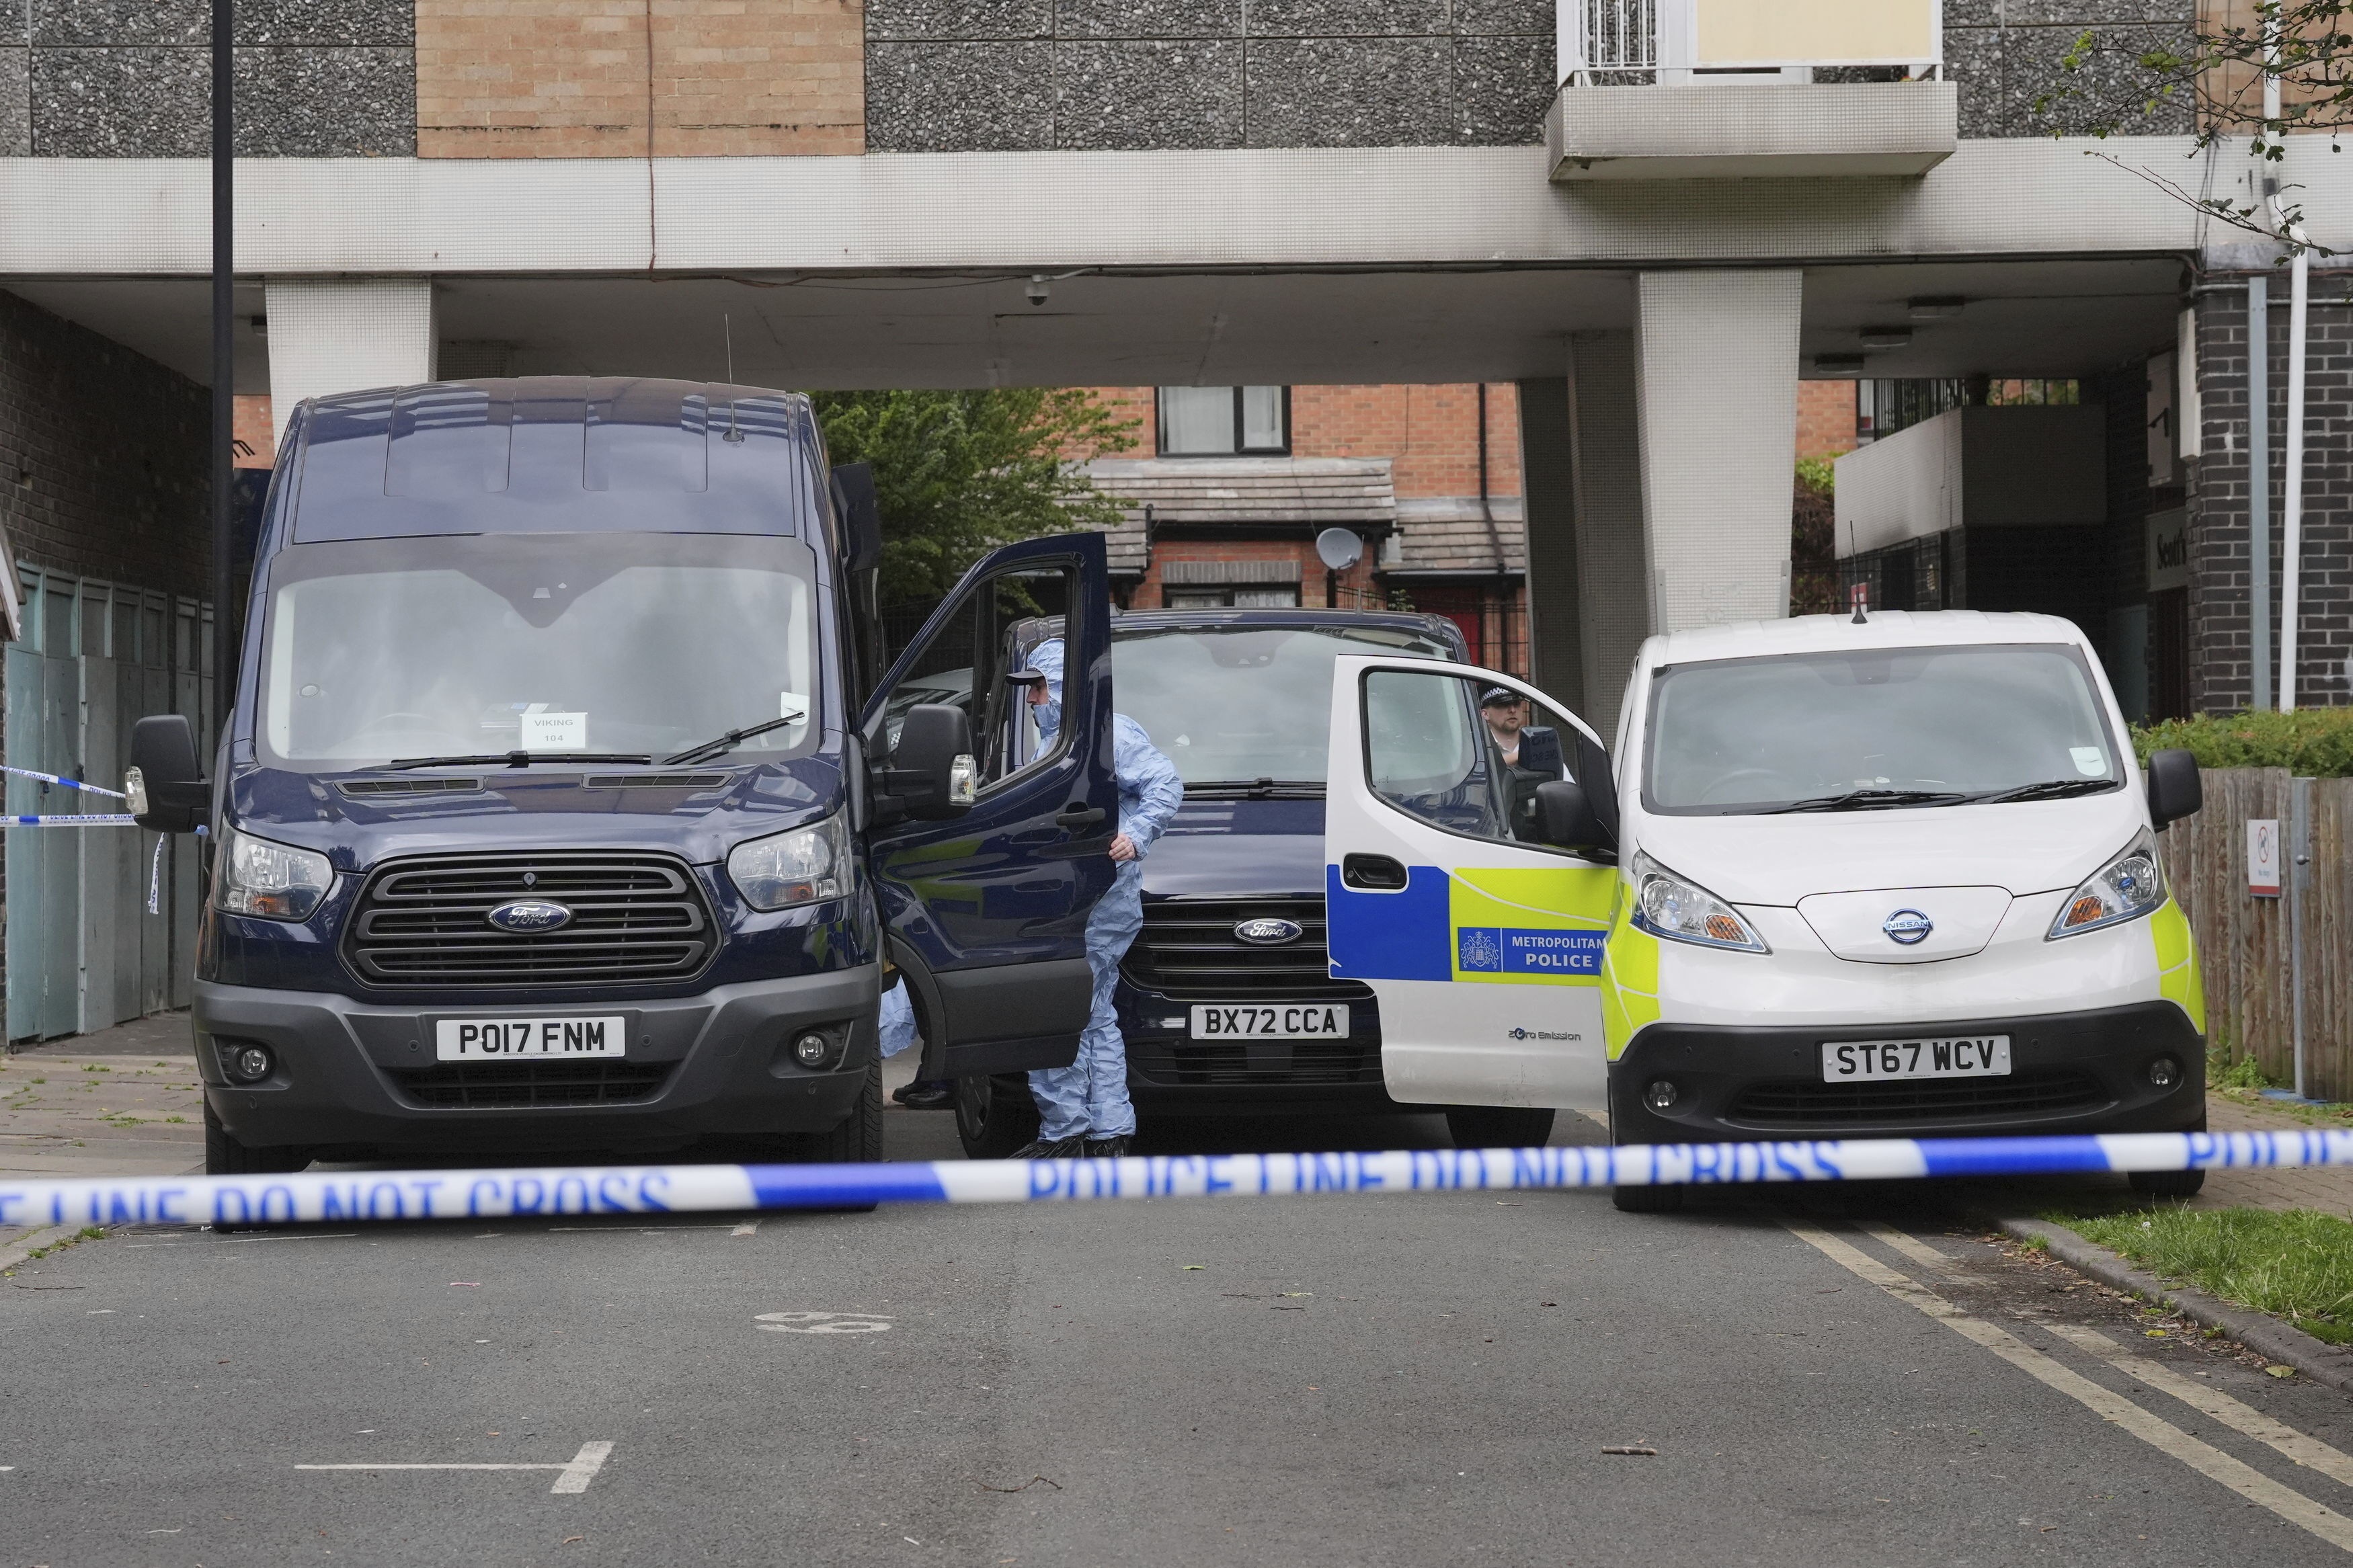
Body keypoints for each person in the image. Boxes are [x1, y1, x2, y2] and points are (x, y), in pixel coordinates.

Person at [1008, 636, 1183, 1159]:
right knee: (1094, 1010)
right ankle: (1109, 1130)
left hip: (1095, 896)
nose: (1033, 700)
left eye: (1038, 688)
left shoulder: (1106, 734)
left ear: (1063, 688)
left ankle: (1064, 1132)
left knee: (1057, 1006)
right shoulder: (1065, 741)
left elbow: (1166, 784)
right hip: (1095, 895)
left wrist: (1137, 834)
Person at [1480, 686, 1563, 839]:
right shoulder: (1475, 750)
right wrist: (1520, 756)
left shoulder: (1539, 746)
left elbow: (1565, 798)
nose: (1512, 710)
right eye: (1502, 705)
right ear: (1484, 713)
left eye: (1517, 704)